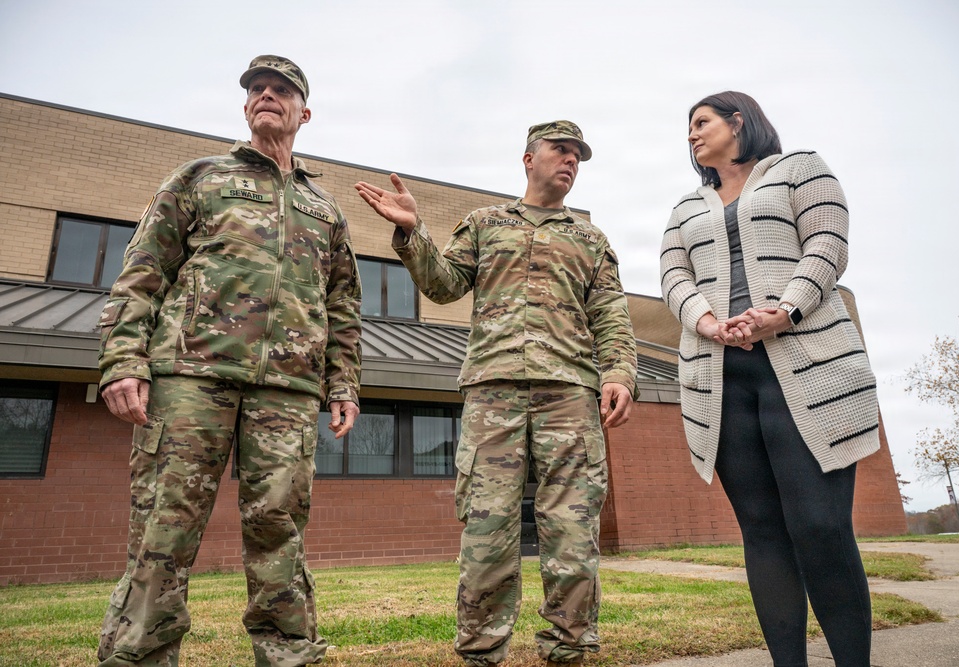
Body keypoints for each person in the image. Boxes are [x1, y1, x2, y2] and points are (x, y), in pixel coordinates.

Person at [95, 55, 362, 667]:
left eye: (281, 90)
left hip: (288, 392)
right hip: (190, 378)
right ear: (246, 107)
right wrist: (122, 360)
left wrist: (342, 384)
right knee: (165, 527)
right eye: (257, 90)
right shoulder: (199, 178)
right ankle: (138, 655)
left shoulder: (326, 211)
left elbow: (342, 306)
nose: (267, 96)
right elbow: (141, 275)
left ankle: (289, 653)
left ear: (304, 112)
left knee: (280, 529)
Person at [355, 121, 638, 667]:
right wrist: (413, 233)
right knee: (487, 531)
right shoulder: (486, 224)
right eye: (560, 150)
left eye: (578, 155)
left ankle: (571, 650)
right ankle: (481, 653)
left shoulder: (590, 240)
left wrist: (620, 375)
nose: (570, 161)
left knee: (573, 534)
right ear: (527, 159)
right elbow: (442, 286)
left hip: (569, 395)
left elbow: (611, 317)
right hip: (493, 394)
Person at [659, 91, 880, 666]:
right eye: (688, 128)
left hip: (807, 369)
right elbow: (673, 275)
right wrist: (706, 321)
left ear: (739, 121)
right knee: (762, 532)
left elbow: (828, 247)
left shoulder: (801, 169)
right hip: (722, 379)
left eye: (701, 122)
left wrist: (785, 310)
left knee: (820, 526)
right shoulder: (686, 207)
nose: (691, 135)